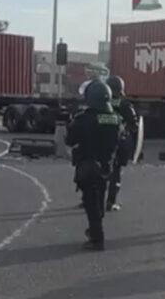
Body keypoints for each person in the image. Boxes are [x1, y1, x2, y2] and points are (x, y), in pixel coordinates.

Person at [65, 80, 122, 251]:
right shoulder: (116, 119)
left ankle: (97, 239)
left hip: (88, 165)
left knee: (91, 202)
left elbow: (70, 140)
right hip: (107, 166)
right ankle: (94, 231)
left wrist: (71, 121)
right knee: (100, 199)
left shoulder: (84, 119)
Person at [105, 75, 139, 212]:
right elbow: (134, 124)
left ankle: (88, 200)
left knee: (95, 173)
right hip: (116, 142)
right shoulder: (124, 103)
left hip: (99, 141)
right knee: (116, 172)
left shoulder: (101, 101)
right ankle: (111, 201)